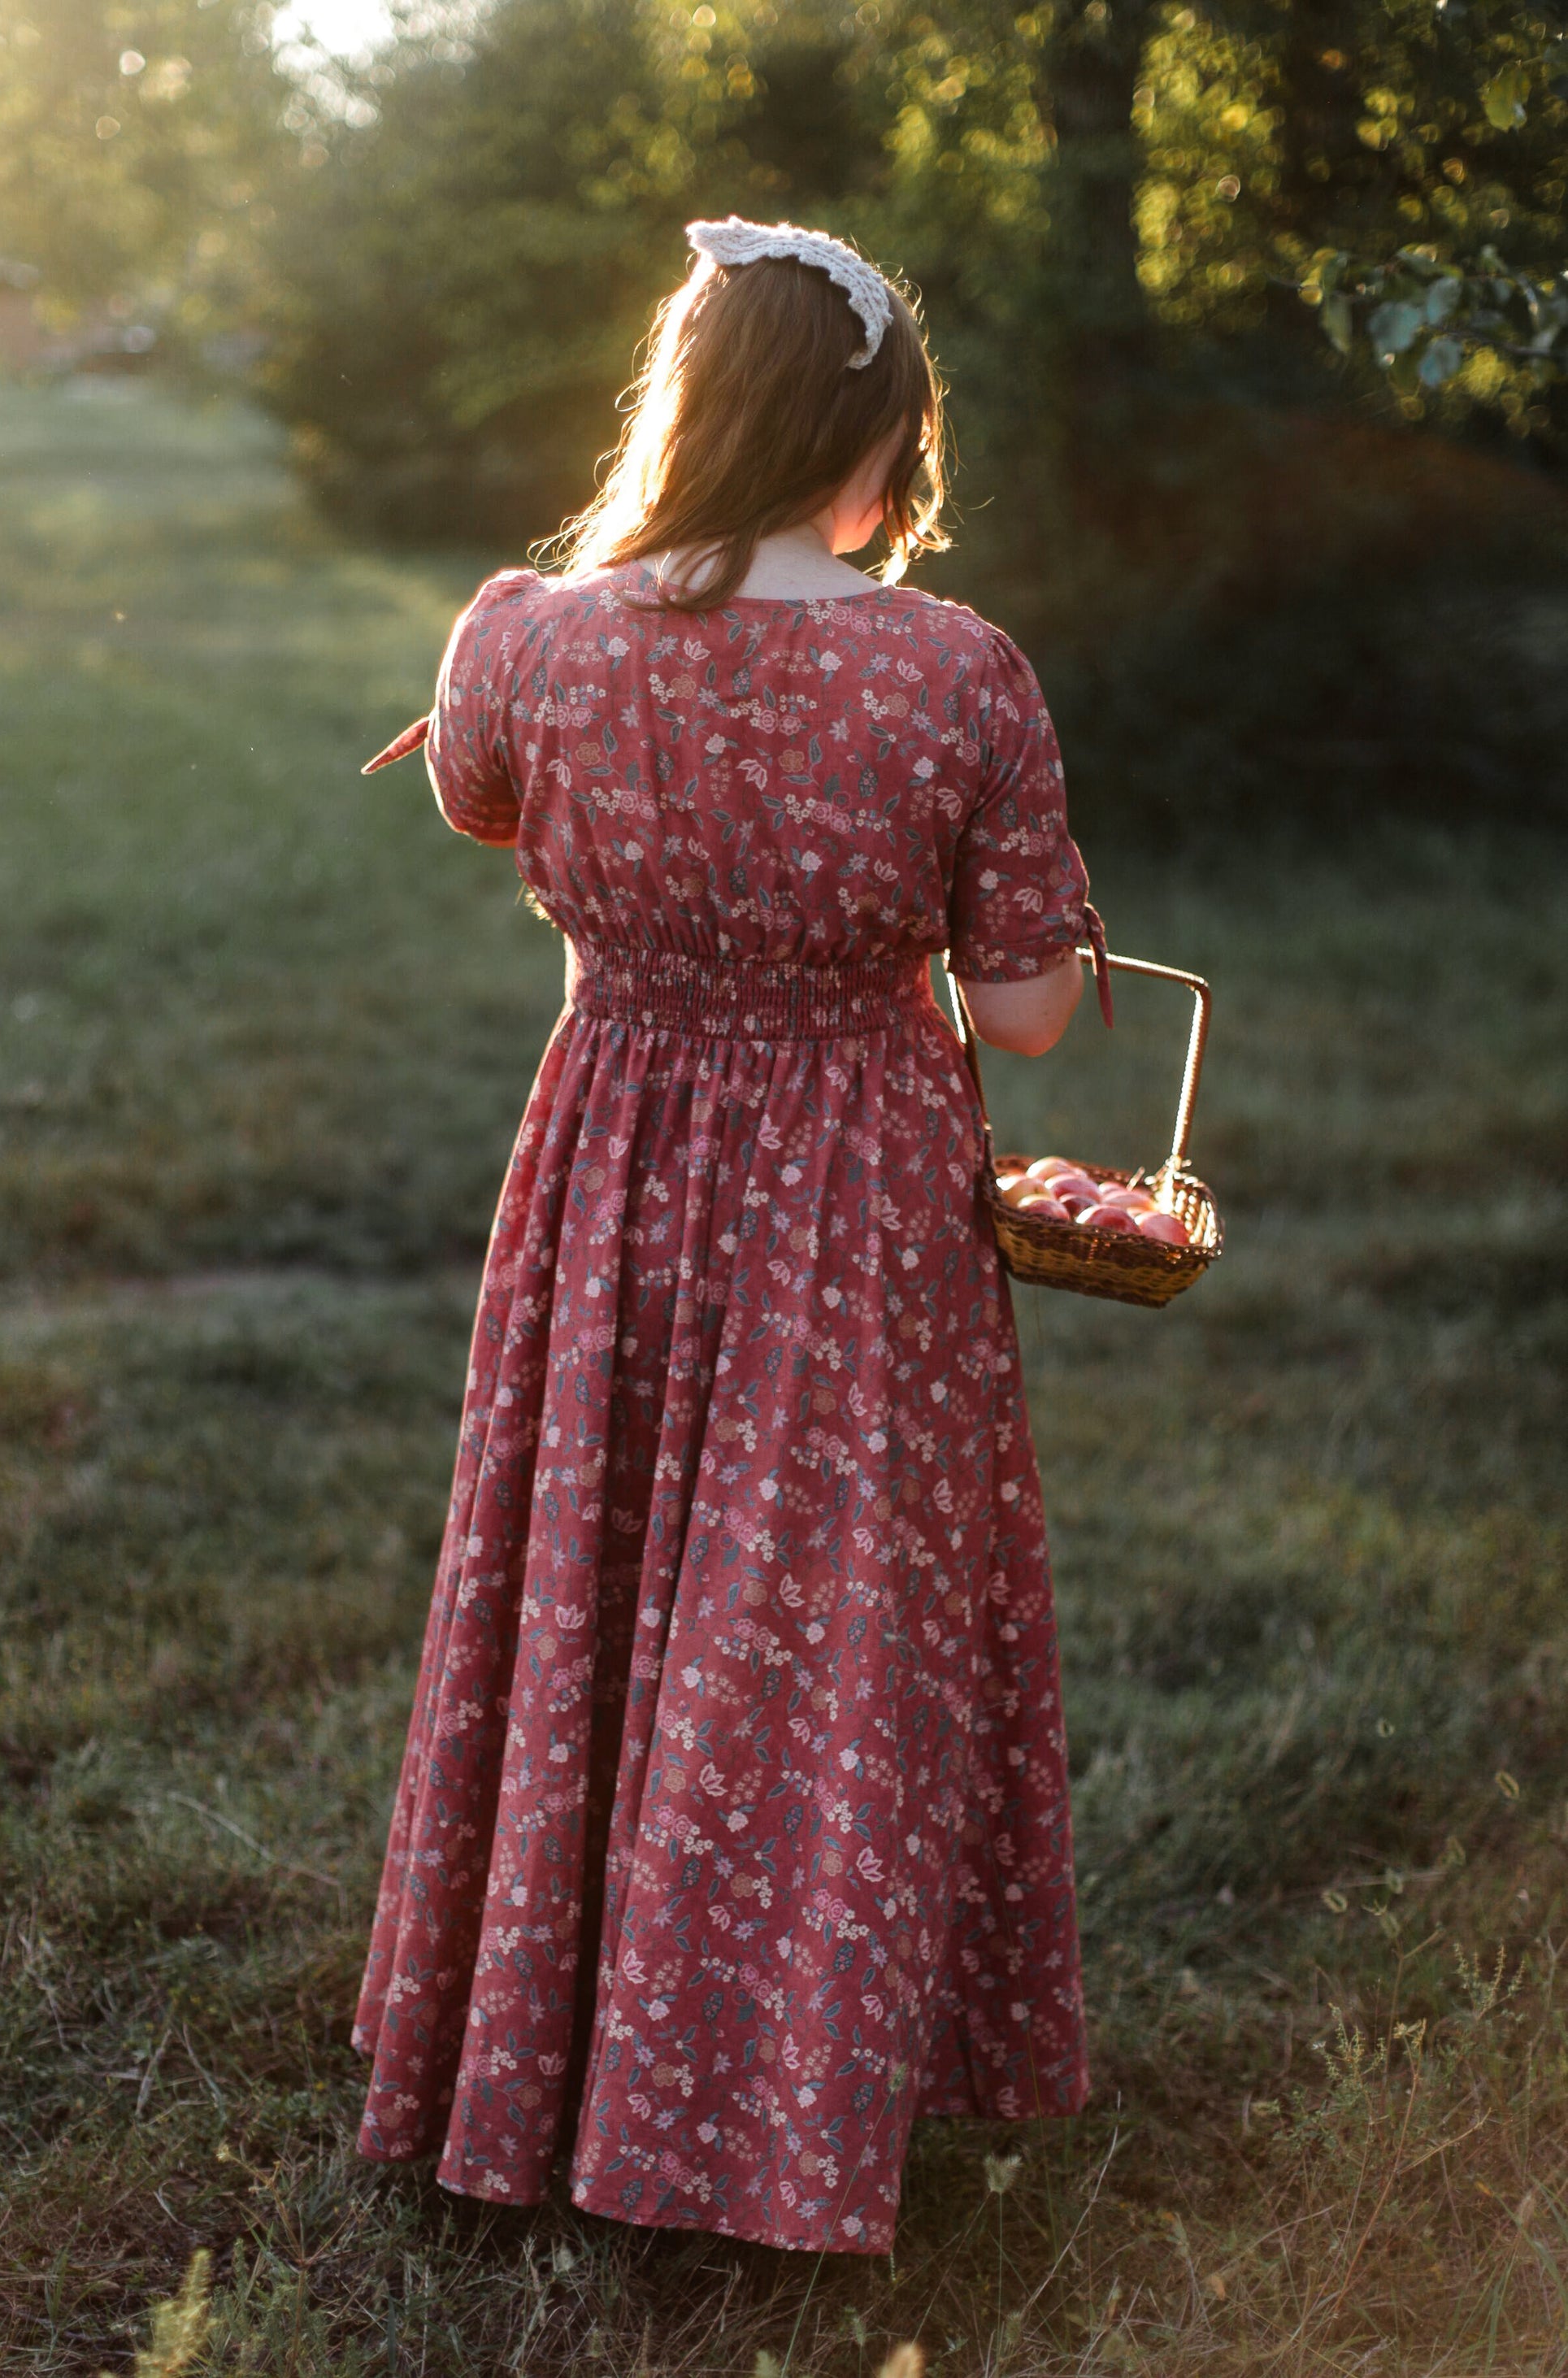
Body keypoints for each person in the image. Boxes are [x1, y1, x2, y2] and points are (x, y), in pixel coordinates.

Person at [352, 215, 1105, 2258]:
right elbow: (1026, 1010)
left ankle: (548, 2065)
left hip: (615, 1150)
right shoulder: (952, 669)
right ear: (874, 432)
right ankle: (768, 2107)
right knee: (826, 1610)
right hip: (856, 1181)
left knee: (586, 1577)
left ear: (688, 407)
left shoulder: (524, 635)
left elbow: (488, 813)